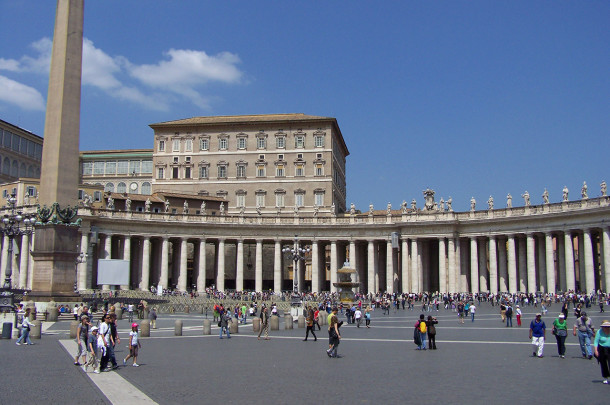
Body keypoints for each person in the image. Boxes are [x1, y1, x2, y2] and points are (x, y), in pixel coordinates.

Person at [593, 320, 610, 384]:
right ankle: (605, 377)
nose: (606, 328)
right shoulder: (599, 332)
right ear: (602, 327)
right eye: (605, 327)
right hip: (602, 349)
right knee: (603, 363)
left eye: (608, 327)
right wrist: (596, 350)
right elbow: (596, 342)